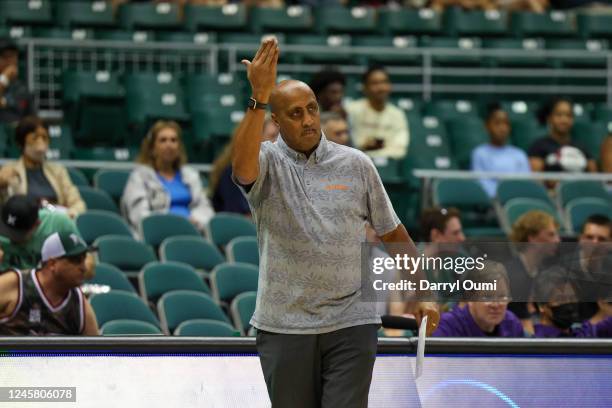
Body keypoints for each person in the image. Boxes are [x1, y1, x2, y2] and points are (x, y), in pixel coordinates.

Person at [232, 38, 438, 408]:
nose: (309, 119)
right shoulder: (266, 162)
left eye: (312, 109)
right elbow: (241, 168)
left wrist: (421, 291)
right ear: (275, 121)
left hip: (352, 321)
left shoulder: (356, 164)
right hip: (284, 324)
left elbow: (394, 233)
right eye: (295, 114)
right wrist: (259, 96)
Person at [0, 230, 99, 335]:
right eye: (75, 260)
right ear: (52, 264)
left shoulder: (78, 302)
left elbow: (96, 350)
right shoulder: (16, 283)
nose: (83, 268)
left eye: (83, 260)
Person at [121, 120, 214, 230]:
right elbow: (138, 215)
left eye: (173, 140)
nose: (169, 145)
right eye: (163, 140)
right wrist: (169, 224)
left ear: (179, 147)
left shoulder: (190, 175)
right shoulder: (139, 177)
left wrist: (197, 220)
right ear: (152, 148)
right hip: (158, 233)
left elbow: (205, 208)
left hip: (192, 230)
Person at [0, 116, 85, 218]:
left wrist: (70, 214)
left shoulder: (58, 171)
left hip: (56, 221)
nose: (40, 143)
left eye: (44, 138)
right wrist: (2, 185)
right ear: (21, 143)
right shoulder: (9, 171)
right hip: (25, 224)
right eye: (35, 138)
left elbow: (78, 203)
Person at [0, 195, 93, 275]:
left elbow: (88, 265)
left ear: (37, 224)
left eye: (17, 234)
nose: (11, 237)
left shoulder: (58, 224)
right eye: (8, 231)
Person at [433, 262, 524, 337]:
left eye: (502, 296)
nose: (496, 305)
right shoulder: (449, 326)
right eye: (487, 297)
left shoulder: (512, 324)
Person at [209, 115, 278, 215]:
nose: (278, 142)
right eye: (273, 136)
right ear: (253, 140)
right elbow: (238, 218)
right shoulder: (233, 173)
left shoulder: (279, 169)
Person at [506, 210, 561, 334]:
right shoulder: (512, 275)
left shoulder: (542, 272)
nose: (557, 240)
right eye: (551, 235)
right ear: (532, 238)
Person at [346, 65, 410, 159]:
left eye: (384, 82)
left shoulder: (397, 114)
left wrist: (370, 152)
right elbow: (348, 146)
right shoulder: (351, 110)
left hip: (388, 166)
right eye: (375, 83)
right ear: (365, 87)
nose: (381, 88)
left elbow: (400, 150)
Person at [471, 103, 531, 197]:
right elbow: (482, 182)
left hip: (516, 199)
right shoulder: (479, 153)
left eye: (506, 123)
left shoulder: (519, 154)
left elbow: (525, 182)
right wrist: (500, 195)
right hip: (491, 203)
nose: (502, 128)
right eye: (497, 123)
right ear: (487, 126)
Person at [533, 267, 612, 338]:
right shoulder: (539, 341)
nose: (569, 305)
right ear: (541, 306)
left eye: (572, 298)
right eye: (560, 300)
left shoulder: (577, 333)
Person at [528, 97, 597, 173]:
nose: (564, 120)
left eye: (569, 115)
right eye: (559, 115)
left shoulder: (581, 147)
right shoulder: (538, 147)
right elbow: (536, 180)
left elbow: (594, 177)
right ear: (549, 118)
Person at [564, 214, 612, 320]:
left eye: (602, 239)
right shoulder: (563, 270)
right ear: (580, 239)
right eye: (589, 237)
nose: (595, 243)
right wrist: (603, 314)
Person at [0, 38, 33, 124]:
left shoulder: (22, 88)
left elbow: (31, 119)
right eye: (5, 57)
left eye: (13, 56)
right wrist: (4, 78)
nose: (10, 61)